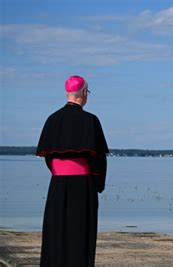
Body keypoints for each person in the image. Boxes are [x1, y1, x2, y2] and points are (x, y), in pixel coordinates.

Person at [36, 75, 109, 267]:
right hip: (83, 185)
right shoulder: (90, 120)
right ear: (83, 92)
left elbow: (48, 158)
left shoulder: (52, 119)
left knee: (56, 231)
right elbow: (99, 159)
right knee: (81, 232)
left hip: (58, 184)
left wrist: (60, 172)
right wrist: (97, 185)